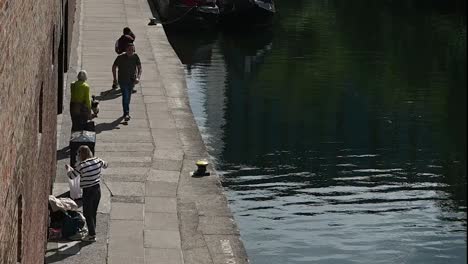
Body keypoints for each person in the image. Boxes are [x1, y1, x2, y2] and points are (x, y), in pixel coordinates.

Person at [66, 145, 108, 242]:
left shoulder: (81, 165)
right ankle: (92, 231)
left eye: (78, 154)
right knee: (93, 212)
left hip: (88, 191)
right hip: (97, 189)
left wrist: (69, 169)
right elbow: (106, 165)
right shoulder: (97, 160)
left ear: (81, 154)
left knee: (87, 213)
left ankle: (92, 235)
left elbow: (72, 176)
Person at [112, 42, 142, 121]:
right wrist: (115, 79)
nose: (131, 51)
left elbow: (139, 68)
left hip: (132, 81)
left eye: (132, 50)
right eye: (129, 50)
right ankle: (126, 114)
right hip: (122, 81)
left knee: (128, 98)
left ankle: (126, 111)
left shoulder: (135, 57)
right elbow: (114, 67)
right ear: (126, 50)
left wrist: (138, 77)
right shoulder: (120, 57)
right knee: (125, 96)